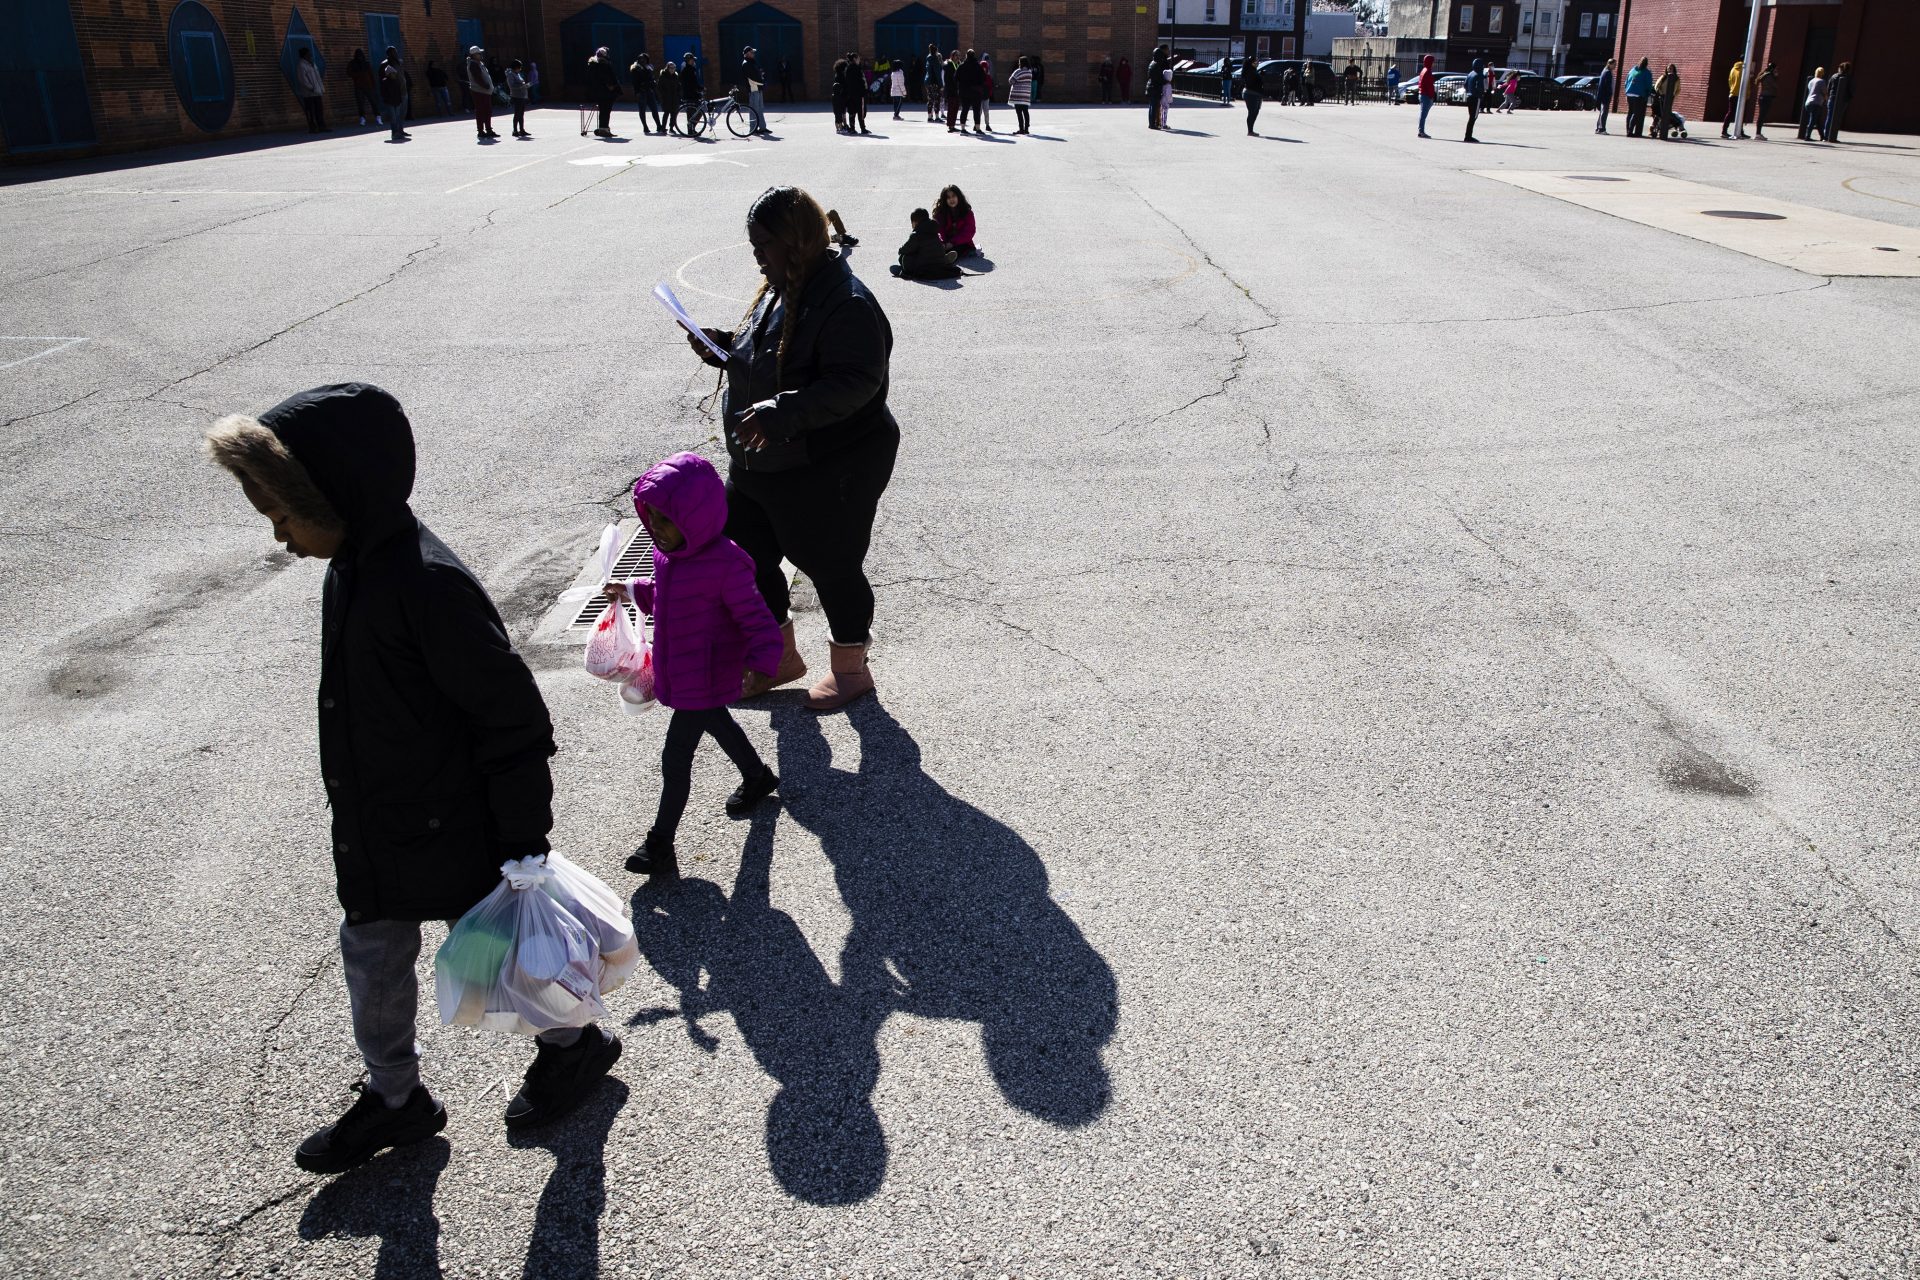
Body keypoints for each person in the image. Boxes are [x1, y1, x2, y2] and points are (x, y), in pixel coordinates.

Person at [202, 383, 623, 1171]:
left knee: (508, 949)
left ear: (334, 494)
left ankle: (575, 1045)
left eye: (282, 513)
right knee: (373, 953)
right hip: (381, 817)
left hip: (457, 823)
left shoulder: (424, 584)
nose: (279, 536)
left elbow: (513, 720)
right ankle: (396, 1098)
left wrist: (524, 844)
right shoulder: (354, 564)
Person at [685, 186, 899, 711]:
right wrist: (726, 348)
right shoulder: (784, 284)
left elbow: (856, 380)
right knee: (747, 558)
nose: (756, 253)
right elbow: (770, 352)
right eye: (752, 242)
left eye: (763, 243)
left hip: (823, 461)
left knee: (831, 564)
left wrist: (786, 411)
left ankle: (852, 670)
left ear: (796, 242)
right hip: (760, 459)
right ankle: (779, 658)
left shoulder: (845, 301)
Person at [602, 454, 783, 884]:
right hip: (681, 669)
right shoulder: (668, 556)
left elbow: (756, 618)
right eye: (653, 519)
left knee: (675, 759)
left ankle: (660, 843)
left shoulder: (726, 564)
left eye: (667, 520)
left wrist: (761, 661)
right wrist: (630, 589)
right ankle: (757, 777)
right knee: (719, 723)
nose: (658, 529)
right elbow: (666, 598)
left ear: (696, 517)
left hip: (704, 673)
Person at [892, 209, 961, 280]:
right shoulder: (935, 232)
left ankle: (906, 269)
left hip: (924, 265)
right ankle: (943, 260)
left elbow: (907, 248)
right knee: (932, 252)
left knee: (904, 257)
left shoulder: (916, 235)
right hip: (938, 259)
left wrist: (900, 251)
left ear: (915, 222)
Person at [934, 184, 977, 258]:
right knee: (934, 247)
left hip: (962, 243)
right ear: (945, 200)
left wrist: (952, 243)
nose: (951, 199)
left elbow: (969, 232)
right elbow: (938, 231)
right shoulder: (940, 213)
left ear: (958, 197)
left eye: (953, 196)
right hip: (945, 243)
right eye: (948, 197)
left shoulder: (967, 213)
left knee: (956, 250)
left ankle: (946, 260)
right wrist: (942, 243)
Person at [378, 45, 409, 142]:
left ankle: (400, 130)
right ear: (389, 53)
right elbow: (383, 80)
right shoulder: (385, 64)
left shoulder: (399, 62)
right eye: (393, 52)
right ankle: (395, 132)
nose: (396, 53)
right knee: (394, 115)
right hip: (393, 93)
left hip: (403, 91)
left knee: (402, 112)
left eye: (395, 51)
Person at [465, 46, 497, 141]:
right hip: (479, 91)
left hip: (484, 91)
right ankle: (481, 131)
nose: (480, 54)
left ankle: (488, 129)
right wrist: (486, 86)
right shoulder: (473, 65)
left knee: (487, 110)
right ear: (474, 55)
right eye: (479, 53)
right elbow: (477, 78)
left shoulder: (479, 63)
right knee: (481, 111)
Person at [294, 47, 328, 134]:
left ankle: (321, 126)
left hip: (317, 91)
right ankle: (313, 127)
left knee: (319, 110)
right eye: (308, 53)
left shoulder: (312, 64)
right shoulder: (301, 65)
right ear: (304, 55)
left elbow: (318, 77)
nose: (310, 55)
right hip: (309, 93)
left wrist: (321, 88)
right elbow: (303, 80)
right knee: (311, 111)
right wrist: (311, 88)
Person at [587, 46, 619, 137]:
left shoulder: (593, 63)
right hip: (605, 92)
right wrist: (610, 86)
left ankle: (603, 128)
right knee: (605, 110)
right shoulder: (602, 64)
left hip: (598, 91)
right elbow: (605, 77)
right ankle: (604, 129)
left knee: (604, 110)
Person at [631, 52, 662, 134]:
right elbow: (635, 82)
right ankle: (645, 126)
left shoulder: (649, 67)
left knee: (654, 109)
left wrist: (654, 84)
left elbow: (651, 78)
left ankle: (659, 126)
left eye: (644, 59)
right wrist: (637, 92)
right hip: (641, 91)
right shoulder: (636, 68)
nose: (642, 60)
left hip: (650, 91)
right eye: (640, 58)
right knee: (642, 110)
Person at [957, 47, 986, 133]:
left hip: (964, 91)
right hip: (976, 92)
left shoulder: (961, 66)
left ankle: (962, 128)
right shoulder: (978, 66)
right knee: (976, 110)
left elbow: (956, 77)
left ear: (966, 55)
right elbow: (983, 78)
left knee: (964, 110)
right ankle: (977, 128)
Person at [742, 45, 769, 135]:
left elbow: (758, 73)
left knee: (760, 108)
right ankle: (753, 129)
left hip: (758, 88)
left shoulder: (752, 62)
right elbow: (752, 78)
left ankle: (762, 128)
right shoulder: (746, 63)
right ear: (747, 53)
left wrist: (761, 74)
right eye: (752, 52)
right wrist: (762, 81)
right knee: (754, 110)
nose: (753, 53)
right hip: (754, 89)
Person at [349, 49, 379, 125]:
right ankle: (363, 118)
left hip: (367, 86)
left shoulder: (366, 64)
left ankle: (377, 117)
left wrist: (373, 85)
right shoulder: (353, 64)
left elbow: (371, 75)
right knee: (361, 103)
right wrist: (358, 76)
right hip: (360, 86)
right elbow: (349, 73)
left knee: (372, 102)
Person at [1624, 57, 1652, 138]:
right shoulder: (1646, 72)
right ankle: (1630, 131)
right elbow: (1648, 85)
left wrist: (1627, 90)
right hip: (1638, 94)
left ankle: (1627, 130)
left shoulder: (1632, 70)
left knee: (1630, 112)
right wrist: (1647, 93)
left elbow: (1626, 82)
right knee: (1635, 113)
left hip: (1629, 93)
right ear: (1646, 64)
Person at [1825, 62, 1851, 144]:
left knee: (1829, 117)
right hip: (1842, 100)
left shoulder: (1833, 76)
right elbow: (1850, 90)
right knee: (1837, 118)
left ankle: (1826, 136)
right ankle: (1833, 136)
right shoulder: (1847, 78)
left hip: (1832, 98)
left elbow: (1828, 87)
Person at [1007, 56, 1035, 134]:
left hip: (1017, 96)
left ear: (1021, 63)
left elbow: (1011, 81)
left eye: (1019, 62)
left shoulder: (1018, 71)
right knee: (1026, 112)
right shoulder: (1030, 72)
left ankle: (1021, 129)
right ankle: (1026, 129)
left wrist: (1016, 82)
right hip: (1026, 95)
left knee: (1019, 113)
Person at [1799, 66, 1827, 141]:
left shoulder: (1811, 81)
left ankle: (1823, 136)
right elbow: (1824, 92)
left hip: (1808, 102)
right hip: (1816, 102)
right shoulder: (1821, 81)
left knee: (1817, 120)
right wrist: (1826, 99)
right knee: (1813, 120)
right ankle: (1807, 136)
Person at [1653, 63, 1679, 140]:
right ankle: (1656, 129)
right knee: (1660, 113)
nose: (1669, 69)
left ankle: (1662, 129)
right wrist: (1661, 93)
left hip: (1670, 98)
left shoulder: (1676, 79)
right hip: (1662, 97)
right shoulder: (1663, 77)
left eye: (1671, 68)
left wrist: (1674, 95)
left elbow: (1678, 89)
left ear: (1674, 69)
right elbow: (1656, 86)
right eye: (1668, 68)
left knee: (1667, 114)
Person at [506, 59, 530, 137]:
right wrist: (522, 86)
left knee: (521, 113)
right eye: (519, 67)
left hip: (521, 95)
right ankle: (515, 130)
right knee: (517, 113)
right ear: (515, 67)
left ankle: (522, 129)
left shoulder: (517, 73)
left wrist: (525, 85)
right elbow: (512, 85)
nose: (520, 69)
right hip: (516, 96)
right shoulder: (510, 74)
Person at [681, 52, 703, 135]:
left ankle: (692, 129)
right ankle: (690, 130)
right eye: (692, 59)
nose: (694, 61)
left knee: (696, 112)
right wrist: (700, 88)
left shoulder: (691, 69)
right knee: (692, 113)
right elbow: (692, 83)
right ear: (688, 60)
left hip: (693, 94)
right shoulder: (687, 70)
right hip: (690, 94)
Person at [1241, 56, 1264, 135]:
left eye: (1258, 61)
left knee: (1256, 111)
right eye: (1256, 62)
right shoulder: (1250, 71)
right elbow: (1251, 82)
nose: (1257, 63)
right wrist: (1259, 78)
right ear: (1251, 63)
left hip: (1256, 94)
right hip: (1251, 94)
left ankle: (1251, 130)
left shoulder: (1254, 70)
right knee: (1252, 112)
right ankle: (1250, 131)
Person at [658, 57, 682, 135]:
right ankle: (663, 128)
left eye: (674, 68)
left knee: (673, 114)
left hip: (674, 97)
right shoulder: (663, 76)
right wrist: (662, 96)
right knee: (666, 113)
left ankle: (671, 128)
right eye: (671, 68)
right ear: (667, 68)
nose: (672, 69)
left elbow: (679, 86)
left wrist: (679, 95)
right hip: (666, 98)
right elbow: (659, 87)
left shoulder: (676, 76)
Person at [1463, 60, 1485, 141]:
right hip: (1476, 98)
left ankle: (1468, 135)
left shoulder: (1470, 73)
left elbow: (1465, 85)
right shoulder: (1480, 74)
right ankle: (1468, 136)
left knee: (1471, 117)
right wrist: (1481, 94)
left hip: (1469, 97)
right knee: (1473, 117)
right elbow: (1480, 87)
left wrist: (1469, 91)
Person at [1721, 58, 1743, 138]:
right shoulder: (1743, 69)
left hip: (1733, 93)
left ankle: (1725, 130)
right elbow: (1745, 83)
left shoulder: (1733, 69)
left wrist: (1732, 89)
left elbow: (1730, 80)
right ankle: (1737, 131)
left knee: (1730, 112)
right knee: (1739, 113)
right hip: (1740, 94)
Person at [1415, 53, 1435, 138]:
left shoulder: (1424, 70)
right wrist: (1432, 96)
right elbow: (1429, 85)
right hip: (1426, 95)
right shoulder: (1428, 71)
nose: (1433, 63)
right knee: (1423, 114)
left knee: (1422, 114)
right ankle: (1421, 131)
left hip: (1423, 93)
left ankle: (1421, 130)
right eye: (1433, 62)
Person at [1755, 61, 1777, 140]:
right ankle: (1758, 133)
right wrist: (1775, 77)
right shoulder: (1769, 76)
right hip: (1767, 97)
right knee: (1762, 116)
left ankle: (1758, 133)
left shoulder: (1764, 74)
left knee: (1761, 115)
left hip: (1762, 96)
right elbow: (1774, 86)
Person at [1145, 47, 1165, 129]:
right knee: (1154, 106)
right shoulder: (1156, 65)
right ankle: (1152, 124)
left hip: (1151, 86)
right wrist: (1164, 81)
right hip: (1154, 87)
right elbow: (1158, 78)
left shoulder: (1152, 63)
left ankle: (1151, 123)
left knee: (1151, 106)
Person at [924, 44, 944, 122]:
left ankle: (929, 117)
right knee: (937, 100)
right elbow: (938, 74)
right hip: (934, 82)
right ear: (936, 51)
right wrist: (941, 85)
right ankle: (937, 117)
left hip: (928, 82)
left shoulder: (928, 59)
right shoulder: (935, 60)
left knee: (930, 99)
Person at [944, 49, 962, 130]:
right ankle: (950, 126)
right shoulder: (949, 65)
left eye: (958, 55)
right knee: (951, 109)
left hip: (958, 90)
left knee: (956, 108)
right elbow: (947, 79)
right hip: (951, 90)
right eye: (956, 55)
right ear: (952, 56)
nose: (958, 57)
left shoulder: (959, 64)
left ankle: (953, 125)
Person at [982, 55, 996, 132]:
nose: (984, 69)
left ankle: (987, 124)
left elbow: (991, 86)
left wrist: (989, 94)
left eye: (985, 67)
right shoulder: (979, 76)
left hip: (986, 96)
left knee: (986, 111)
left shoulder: (988, 77)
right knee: (979, 111)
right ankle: (976, 125)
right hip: (979, 96)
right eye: (983, 67)